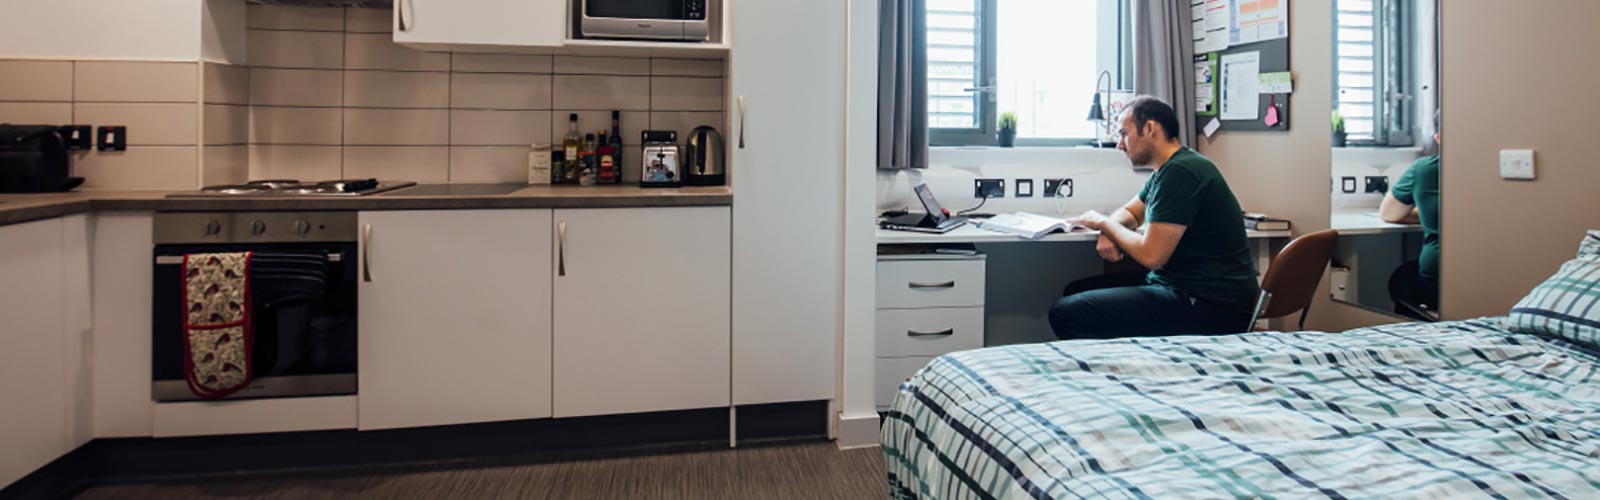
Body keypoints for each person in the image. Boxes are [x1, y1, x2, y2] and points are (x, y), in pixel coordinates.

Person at [1050, 96, 1258, 340]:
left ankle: (1124, 362)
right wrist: (1108, 229)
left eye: (1124, 134)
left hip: (1211, 303)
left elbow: (1152, 255)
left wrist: (1103, 223)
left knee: (1065, 313)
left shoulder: (1181, 172)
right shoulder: (1167, 170)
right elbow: (1130, 212)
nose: (1119, 145)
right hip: (1179, 287)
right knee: (1074, 291)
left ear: (1149, 129)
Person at [1380, 111, 1441, 315]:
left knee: (1401, 278)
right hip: (1491, 272)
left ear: (1438, 137)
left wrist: (1428, 212)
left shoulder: (1426, 169)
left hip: (1437, 278)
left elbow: (1389, 213)